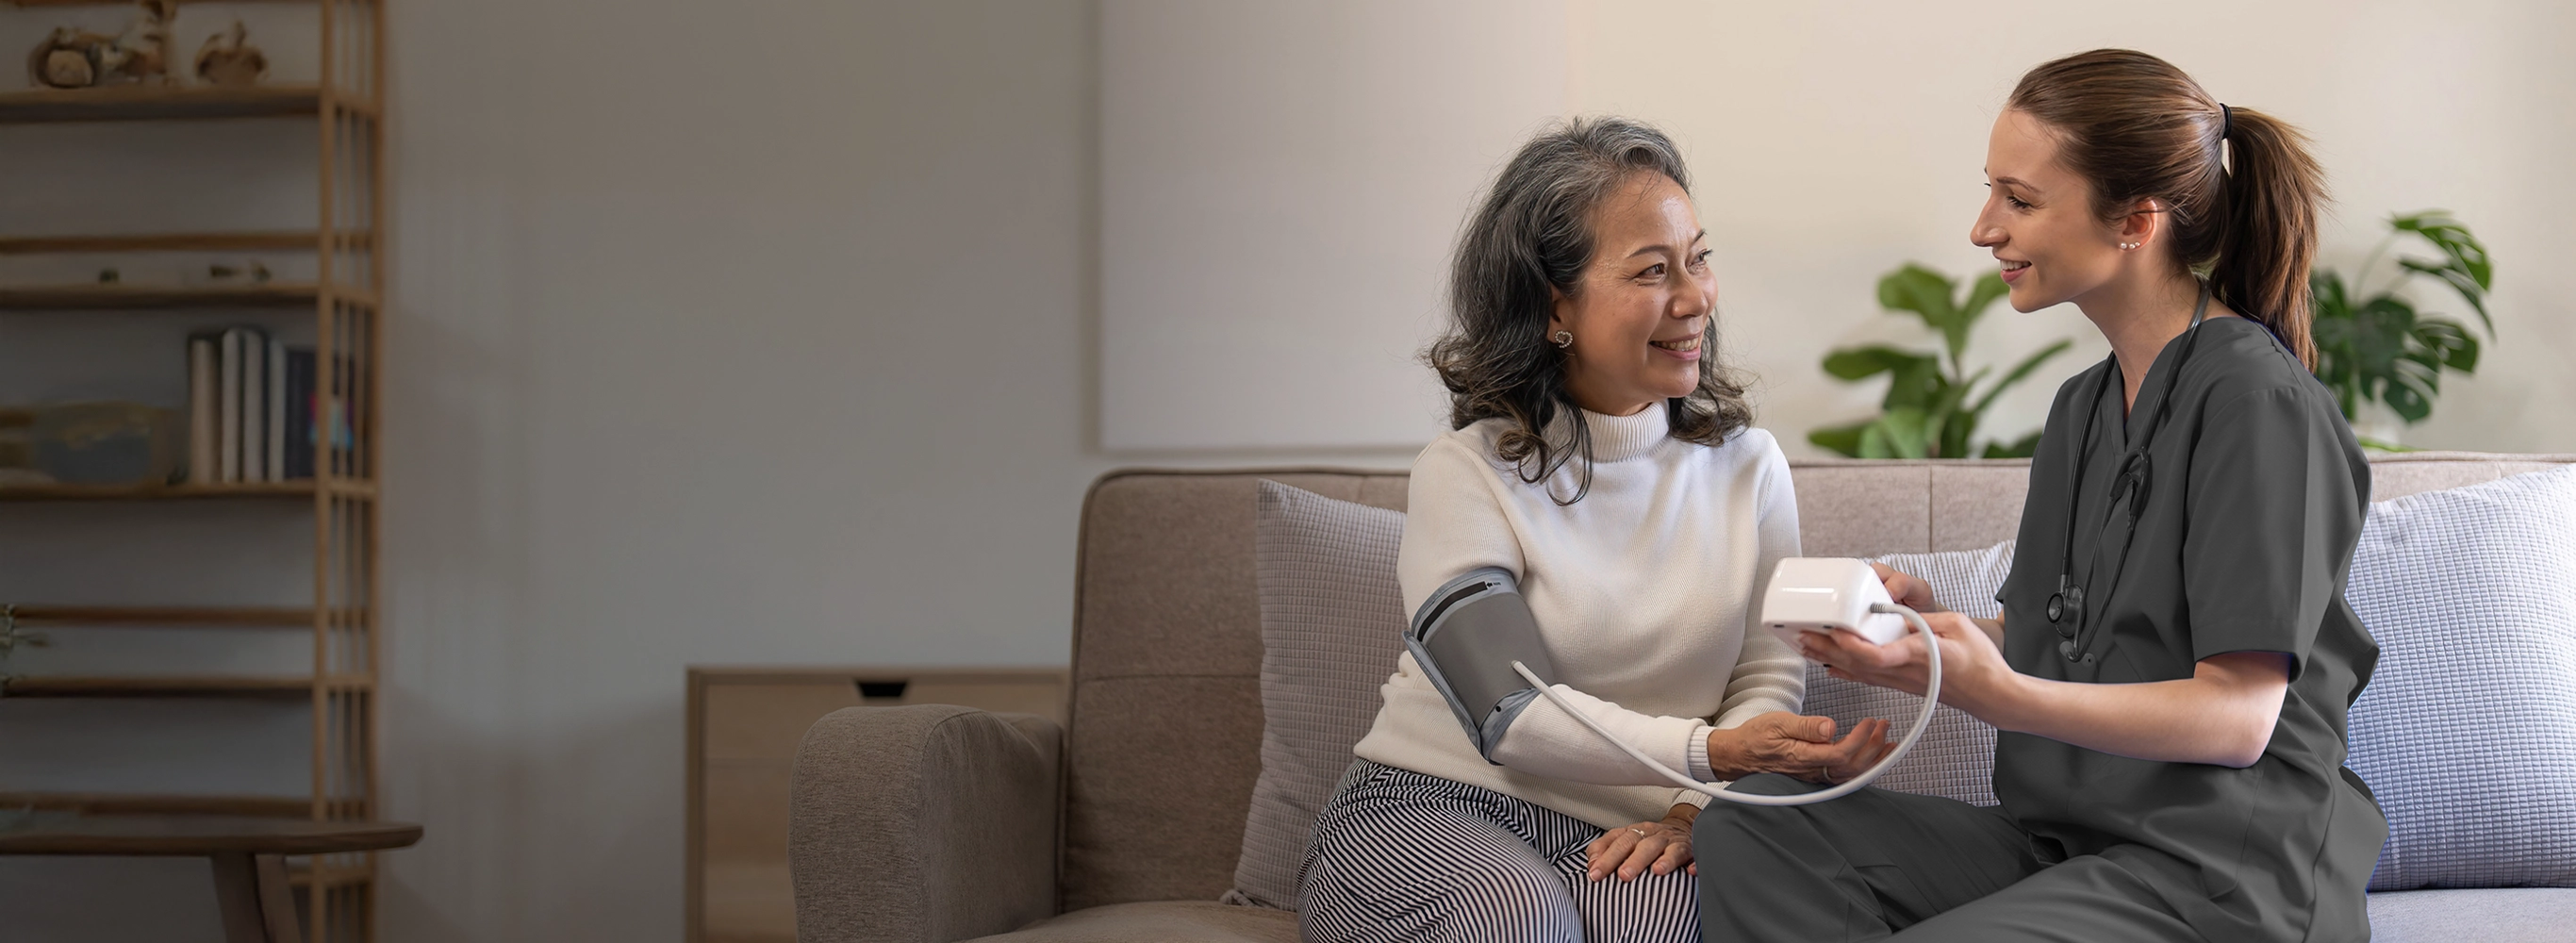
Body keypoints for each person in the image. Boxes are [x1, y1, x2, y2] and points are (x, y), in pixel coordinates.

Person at [1692, 49, 2383, 942]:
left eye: (2019, 201)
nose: (1984, 229)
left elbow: (2237, 718)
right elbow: (2064, 637)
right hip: (2073, 846)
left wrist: (1997, 695)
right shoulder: (2083, 409)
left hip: (2226, 876)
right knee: (1754, 820)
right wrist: (1921, 639)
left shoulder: (2258, 404)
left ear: (2136, 220)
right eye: (1992, 193)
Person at [1297, 117, 1897, 943]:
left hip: (1643, 824)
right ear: (1554, 308)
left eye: (1700, 258)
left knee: (1656, 923)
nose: (1695, 298)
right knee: (1514, 917)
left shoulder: (1749, 467)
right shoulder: (1466, 471)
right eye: (1653, 271)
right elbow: (1511, 714)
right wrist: (1715, 757)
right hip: (1432, 801)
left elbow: (1766, 678)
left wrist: (1694, 811)